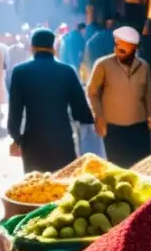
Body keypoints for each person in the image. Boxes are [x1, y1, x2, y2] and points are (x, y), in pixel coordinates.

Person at [8, 28, 95, 173]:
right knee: (62, 183)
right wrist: (91, 120)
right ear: (53, 47)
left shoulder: (20, 71)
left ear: (32, 47)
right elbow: (80, 109)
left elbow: (15, 110)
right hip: (62, 138)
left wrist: (16, 137)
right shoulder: (67, 71)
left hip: (33, 139)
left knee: (37, 186)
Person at [88, 26, 151, 168]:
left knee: (141, 166)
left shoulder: (144, 66)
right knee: (117, 167)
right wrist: (99, 116)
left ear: (134, 48)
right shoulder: (103, 65)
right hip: (114, 128)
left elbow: (149, 93)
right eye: (116, 45)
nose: (116, 51)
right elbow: (92, 92)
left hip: (139, 128)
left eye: (122, 50)